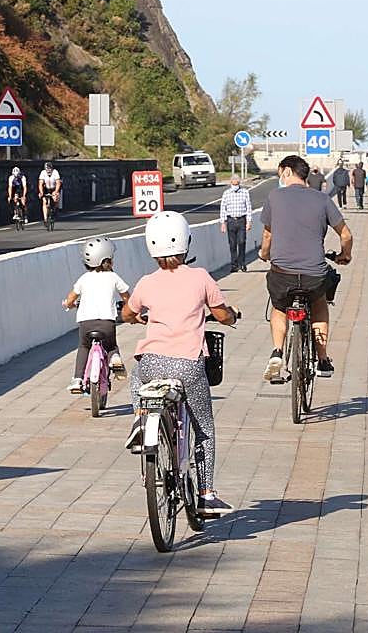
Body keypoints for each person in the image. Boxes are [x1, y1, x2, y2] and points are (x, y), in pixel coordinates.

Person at [122, 210, 238, 517]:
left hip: (151, 363)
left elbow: (126, 313)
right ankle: (206, 494)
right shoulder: (200, 278)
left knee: (137, 376)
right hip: (187, 365)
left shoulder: (146, 282)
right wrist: (231, 316)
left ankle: (140, 418)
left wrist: (139, 316)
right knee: (205, 430)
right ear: (186, 242)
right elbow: (222, 313)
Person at [259, 155, 352, 383]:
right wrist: (344, 255)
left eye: (281, 172)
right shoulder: (322, 199)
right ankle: (322, 358)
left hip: (282, 274)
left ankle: (277, 352)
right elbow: (346, 234)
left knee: (280, 306)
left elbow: (268, 235)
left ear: (287, 172)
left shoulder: (274, 196)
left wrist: (264, 254)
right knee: (319, 302)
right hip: (314, 275)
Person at [62, 237, 129, 393]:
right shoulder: (113, 277)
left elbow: (71, 297)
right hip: (107, 322)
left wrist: (69, 304)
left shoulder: (84, 278)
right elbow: (127, 297)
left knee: (84, 346)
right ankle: (114, 358)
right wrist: (127, 306)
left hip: (86, 323)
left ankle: (77, 380)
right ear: (108, 259)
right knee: (111, 345)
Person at [218, 175, 253, 272]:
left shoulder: (245, 192)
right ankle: (234, 265)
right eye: (233, 184)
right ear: (230, 183)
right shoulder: (226, 193)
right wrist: (223, 223)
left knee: (241, 242)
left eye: (237, 184)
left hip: (241, 220)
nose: (235, 186)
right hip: (231, 221)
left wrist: (249, 221)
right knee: (232, 244)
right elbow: (223, 208)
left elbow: (248, 207)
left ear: (239, 183)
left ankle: (242, 263)